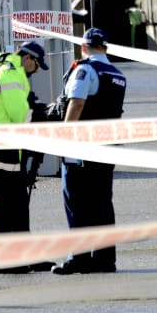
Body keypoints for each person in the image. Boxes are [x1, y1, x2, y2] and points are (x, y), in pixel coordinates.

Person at [0, 40, 55, 274]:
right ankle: (6, 261)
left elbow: (23, 103)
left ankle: (23, 256)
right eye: (37, 65)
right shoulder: (10, 73)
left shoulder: (2, 69)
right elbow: (20, 115)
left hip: (0, 144)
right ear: (28, 58)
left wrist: (40, 109)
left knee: (15, 202)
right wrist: (46, 115)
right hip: (1, 145)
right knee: (6, 203)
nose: (37, 70)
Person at [51, 28, 127, 275]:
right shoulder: (117, 75)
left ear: (83, 47)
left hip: (81, 148)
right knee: (102, 203)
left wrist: (64, 137)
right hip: (108, 148)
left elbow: (77, 102)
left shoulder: (85, 70)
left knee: (78, 203)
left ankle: (79, 258)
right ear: (106, 48)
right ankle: (105, 259)